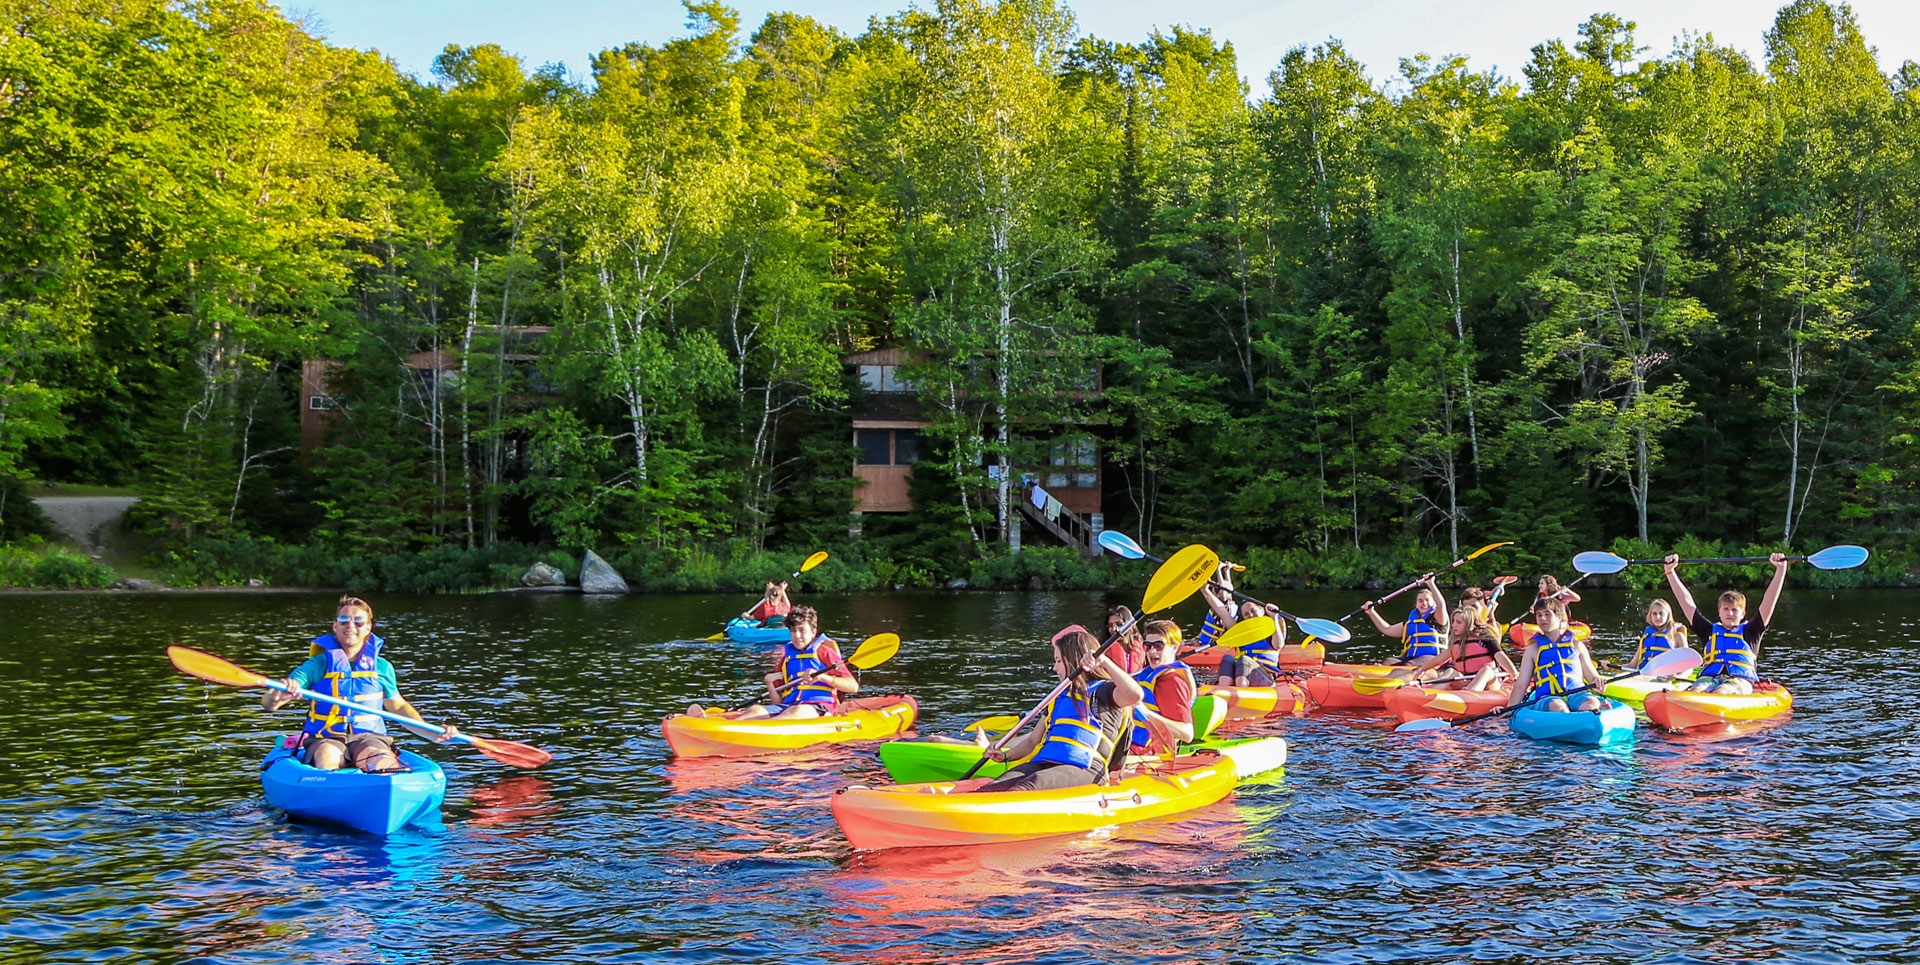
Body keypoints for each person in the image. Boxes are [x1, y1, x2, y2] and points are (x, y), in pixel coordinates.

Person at [261, 596, 456, 773]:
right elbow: (269, 702)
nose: (350, 626)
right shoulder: (318, 664)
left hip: (368, 738)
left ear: (368, 628)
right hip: (326, 738)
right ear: (334, 626)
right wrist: (277, 697)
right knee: (328, 756)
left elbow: (397, 706)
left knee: (381, 762)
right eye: (344, 621)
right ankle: (335, 796)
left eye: (358, 621)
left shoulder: (382, 667)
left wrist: (431, 733)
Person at [977, 627, 1144, 792]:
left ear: (1073, 660)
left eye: (1058, 661)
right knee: (995, 786)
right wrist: (1006, 755)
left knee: (1028, 785)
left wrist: (1105, 662)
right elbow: (1032, 741)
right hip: (1048, 764)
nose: (1054, 668)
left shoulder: (1104, 692)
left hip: (1087, 769)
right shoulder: (1059, 697)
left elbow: (1135, 695)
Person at [1663, 552, 1789, 694]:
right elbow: (1687, 603)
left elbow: (1769, 601)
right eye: (1726, 609)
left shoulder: (1751, 631)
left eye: (1735, 610)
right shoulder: (1709, 631)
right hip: (1710, 678)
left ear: (1743, 614)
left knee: (1722, 691)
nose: (1730, 613)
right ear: (1719, 612)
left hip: (1740, 680)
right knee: (1696, 690)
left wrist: (1780, 570)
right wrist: (1670, 572)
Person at [698, 606, 854, 720]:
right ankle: (726, 730)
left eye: (802, 630)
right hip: (788, 707)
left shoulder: (824, 652)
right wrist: (770, 684)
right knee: (756, 709)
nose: (797, 636)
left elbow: (853, 686)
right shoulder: (787, 658)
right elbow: (778, 701)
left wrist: (823, 678)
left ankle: (755, 733)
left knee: (796, 712)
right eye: (793, 631)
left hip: (819, 707)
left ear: (813, 632)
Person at [1507, 599, 1604, 713]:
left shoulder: (1577, 646)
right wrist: (1509, 709)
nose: (1543, 618)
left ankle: (1588, 717)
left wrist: (1598, 683)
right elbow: (1521, 685)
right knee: (1558, 707)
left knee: (1591, 704)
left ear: (1559, 617)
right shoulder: (1533, 650)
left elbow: (1592, 677)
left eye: (1547, 614)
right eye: (1539, 615)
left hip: (1577, 694)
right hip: (1548, 698)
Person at [1397, 609, 1516, 691]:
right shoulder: (1457, 643)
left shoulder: (1485, 637)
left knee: (1486, 670)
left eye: (1458, 622)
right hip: (1467, 681)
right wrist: (1423, 669)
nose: (1453, 625)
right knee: (1450, 671)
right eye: (1453, 621)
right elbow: (1440, 658)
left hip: (1491, 684)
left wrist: (1514, 674)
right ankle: (1430, 694)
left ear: (1470, 623)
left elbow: (1500, 656)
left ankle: (1471, 694)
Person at [1128, 619, 1196, 755]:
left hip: (1148, 755)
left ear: (1174, 647)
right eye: (1148, 646)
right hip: (1131, 748)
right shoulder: (1147, 675)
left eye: (1158, 646)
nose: (1152, 651)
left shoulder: (1173, 682)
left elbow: (1187, 733)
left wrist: (1146, 714)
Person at [1361, 574, 1448, 667]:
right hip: (1413, 658)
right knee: (1387, 661)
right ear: (1416, 604)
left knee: (1408, 664)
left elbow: (1441, 604)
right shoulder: (1410, 622)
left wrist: (1431, 583)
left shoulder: (1437, 619)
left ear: (1434, 602)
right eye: (1420, 601)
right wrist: (1372, 613)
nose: (1424, 603)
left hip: (1435, 658)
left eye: (1427, 600)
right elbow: (1387, 629)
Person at [1631, 599, 1689, 672]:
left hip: (1666, 676)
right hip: (1645, 674)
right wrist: (1613, 668)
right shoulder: (1646, 637)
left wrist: (1679, 675)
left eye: (1661, 613)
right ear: (1650, 615)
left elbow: (1688, 667)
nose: (1657, 617)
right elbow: (1632, 665)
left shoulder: (1677, 636)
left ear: (1668, 615)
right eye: (1654, 613)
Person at [1104, 605, 1145, 673]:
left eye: (1119, 624)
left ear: (1129, 624)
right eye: (1110, 625)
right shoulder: (1102, 650)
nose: (1114, 629)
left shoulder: (1145, 647)